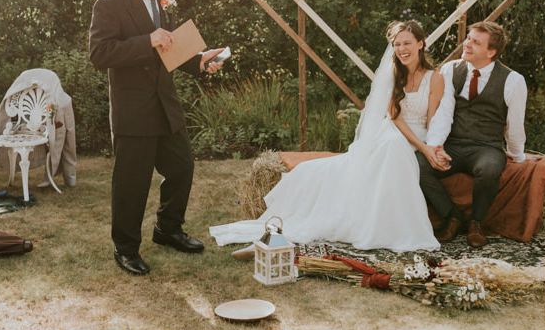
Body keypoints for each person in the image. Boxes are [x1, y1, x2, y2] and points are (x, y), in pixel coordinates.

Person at [210, 20, 445, 252]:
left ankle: (388, 224)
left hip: (418, 134)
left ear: (421, 43)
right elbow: (394, 117)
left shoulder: (435, 77)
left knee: (391, 149)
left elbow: (433, 119)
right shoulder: (394, 74)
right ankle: (359, 221)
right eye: (397, 44)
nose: (402, 49)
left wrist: (428, 148)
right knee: (384, 148)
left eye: (407, 43)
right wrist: (420, 149)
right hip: (394, 131)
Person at [89, 0, 224, 276]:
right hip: (133, 110)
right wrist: (146, 40)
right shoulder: (110, 3)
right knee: (131, 182)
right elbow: (99, 54)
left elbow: (167, 48)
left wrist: (199, 60)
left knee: (182, 167)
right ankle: (125, 247)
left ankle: (168, 229)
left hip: (165, 104)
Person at [418, 20, 527, 248]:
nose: (466, 44)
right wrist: (436, 147)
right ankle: (452, 216)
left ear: (491, 52)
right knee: (418, 164)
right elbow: (444, 112)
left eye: (475, 42)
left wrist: (517, 156)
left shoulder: (513, 81)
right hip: (454, 144)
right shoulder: (450, 70)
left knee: (489, 169)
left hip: (486, 146)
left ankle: (476, 223)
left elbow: (514, 124)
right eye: (468, 38)